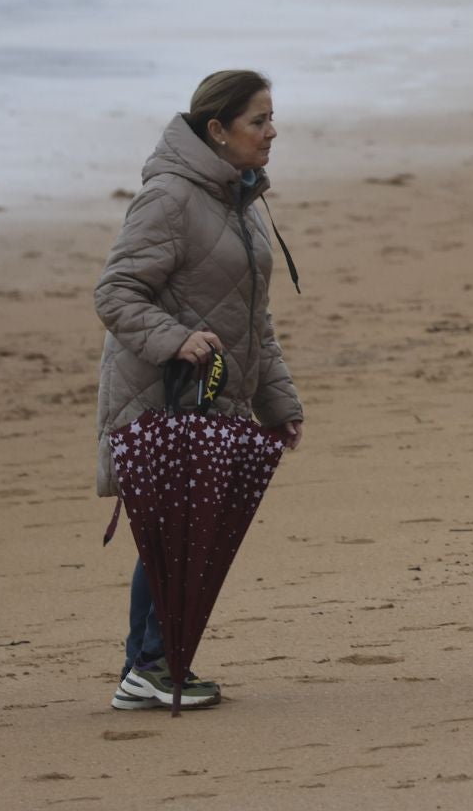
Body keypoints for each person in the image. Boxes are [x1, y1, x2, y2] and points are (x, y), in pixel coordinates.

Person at [92, 69, 306, 710]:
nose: (272, 132)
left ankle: (149, 669)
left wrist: (279, 402)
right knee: (175, 533)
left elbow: (252, 318)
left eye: (272, 119)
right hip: (166, 396)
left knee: (184, 533)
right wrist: (174, 338)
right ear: (217, 130)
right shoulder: (172, 199)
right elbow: (115, 292)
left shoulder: (236, 199)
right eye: (258, 121)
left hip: (216, 400)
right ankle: (149, 668)